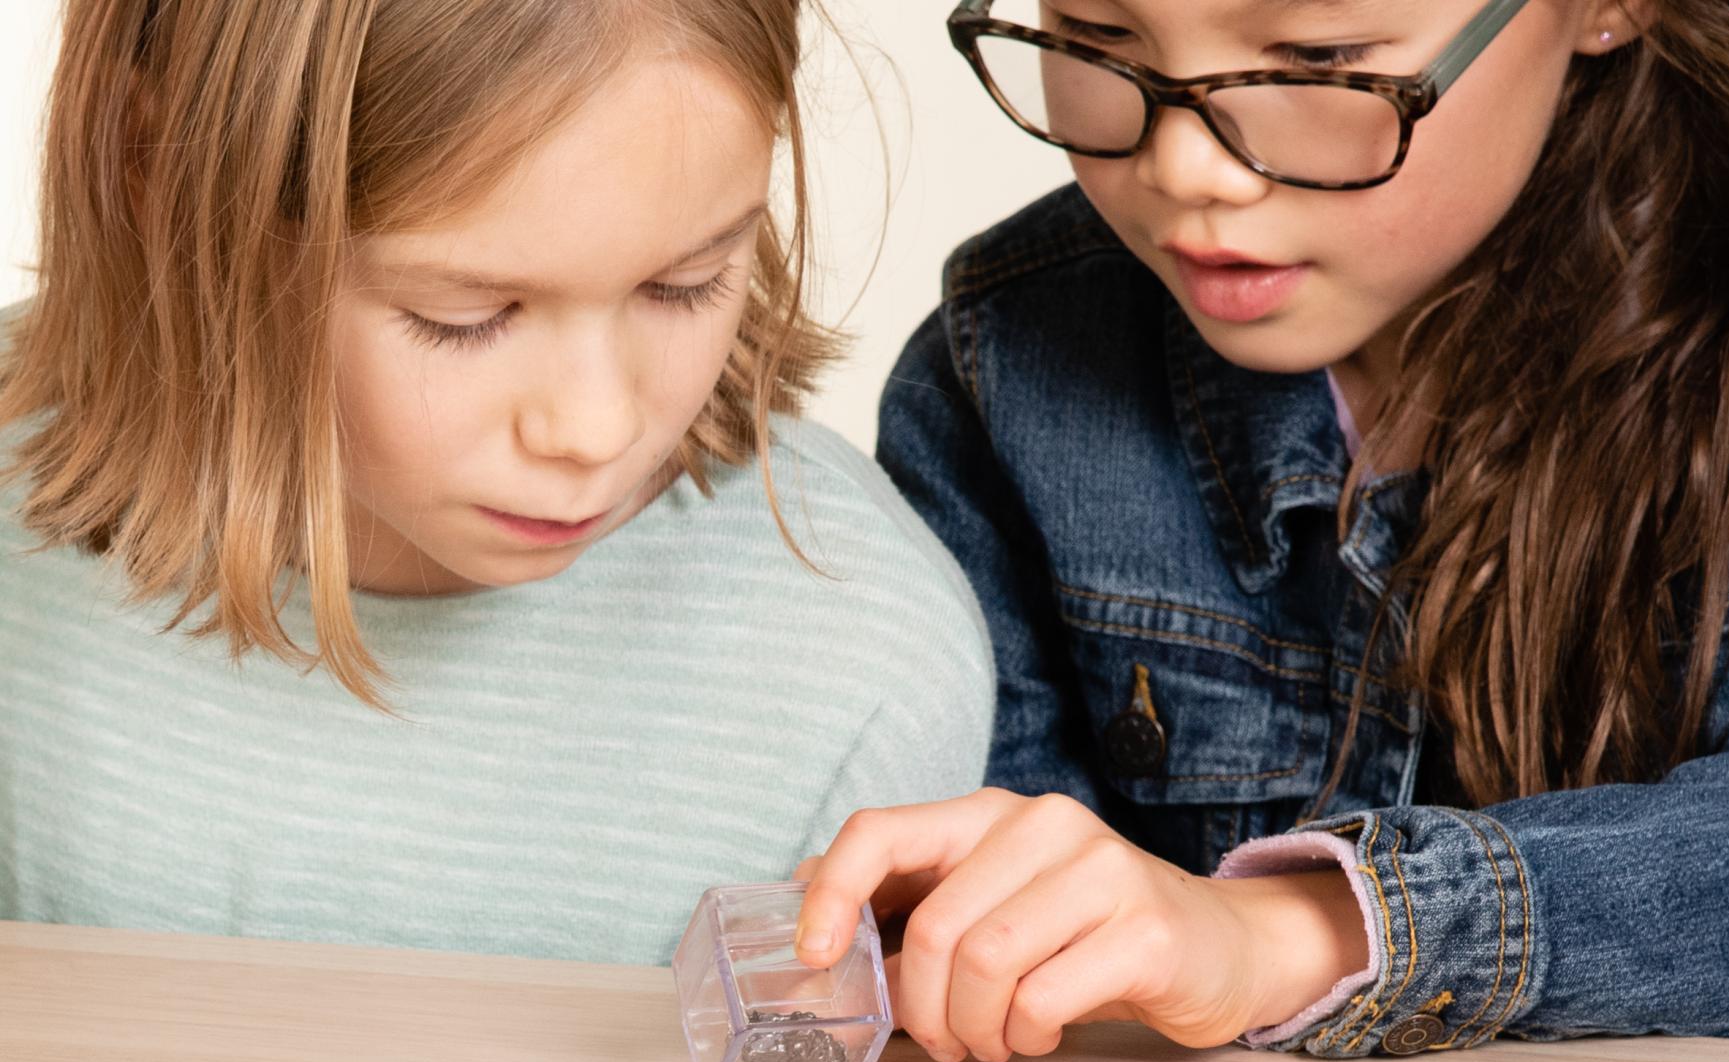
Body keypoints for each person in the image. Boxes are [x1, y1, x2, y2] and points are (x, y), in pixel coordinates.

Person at [795, 0, 1729, 1060]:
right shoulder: (1005, 364)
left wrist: (1302, 928)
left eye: (1319, 61)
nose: (1187, 169)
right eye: (1096, 39)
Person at [0, 0, 993, 966]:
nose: (595, 427)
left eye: (683, 286)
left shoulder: (859, 655)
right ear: (154, 169)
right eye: (462, 316)